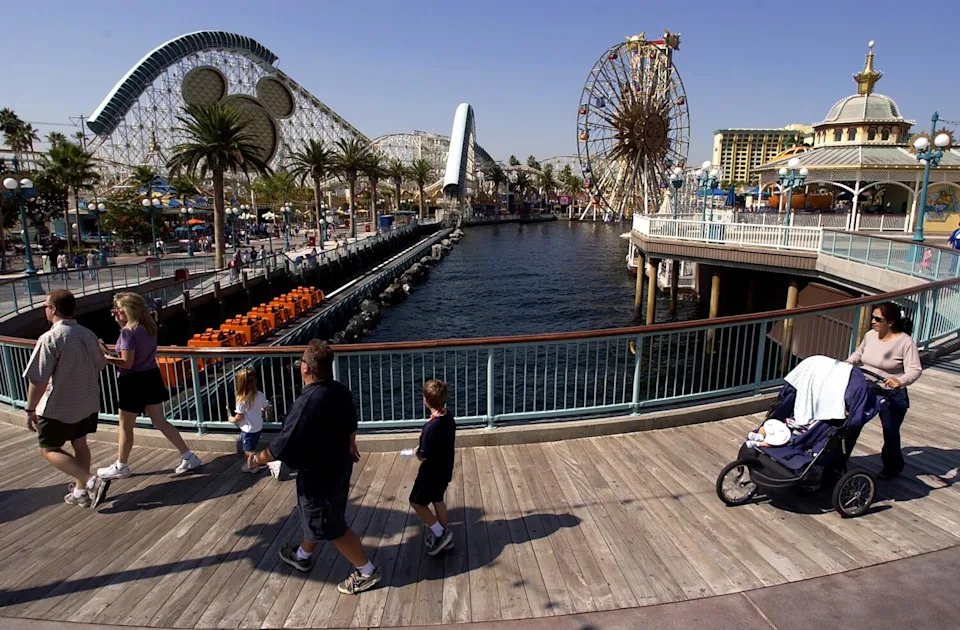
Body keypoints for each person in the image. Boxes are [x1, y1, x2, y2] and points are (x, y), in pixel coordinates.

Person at [246, 340, 381, 594]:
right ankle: (302, 555)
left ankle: (367, 571)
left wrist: (255, 459)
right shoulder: (340, 391)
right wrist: (351, 445)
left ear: (307, 369)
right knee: (317, 518)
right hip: (340, 467)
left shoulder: (307, 402)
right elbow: (352, 422)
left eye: (301, 363)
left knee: (333, 527)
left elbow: (280, 446)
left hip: (319, 476)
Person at [97, 292, 202, 479]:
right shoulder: (148, 326)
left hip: (133, 381)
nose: (115, 312)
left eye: (118, 309)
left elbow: (127, 363)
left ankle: (121, 465)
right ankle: (188, 455)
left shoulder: (128, 333)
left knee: (125, 426)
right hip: (151, 376)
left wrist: (107, 358)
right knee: (159, 420)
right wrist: (121, 324)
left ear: (127, 310)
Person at [22, 289, 111, 508]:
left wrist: (30, 408)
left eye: (45, 306)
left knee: (48, 449)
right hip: (88, 402)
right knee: (80, 444)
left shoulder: (50, 338)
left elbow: (38, 379)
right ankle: (80, 491)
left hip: (58, 406)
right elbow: (101, 364)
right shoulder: (88, 334)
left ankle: (92, 481)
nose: (45, 310)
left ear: (53, 309)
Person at [846, 301, 922, 480]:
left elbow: (915, 370)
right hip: (867, 388)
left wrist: (900, 380)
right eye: (873, 317)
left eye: (878, 319)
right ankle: (840, 459)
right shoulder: (870, 335)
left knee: (890, 430)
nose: (873, 321)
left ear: (891, 322)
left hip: (892, 393)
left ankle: (892, 466)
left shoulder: (905, 342)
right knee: (851, 424)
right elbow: (859, 354)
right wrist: (847, 364)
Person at [408, 379, 456, 555]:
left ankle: (440, 533)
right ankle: (444, 539)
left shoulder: (430, 427)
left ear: (426, 401)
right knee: (437, 499)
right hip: (445, 469)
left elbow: (423, 455)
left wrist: (416, 452)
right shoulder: (448, 417)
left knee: (416, 501)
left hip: (430, 472)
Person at [228, 367, 269, 473]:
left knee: (248, 451)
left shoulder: (242, 400)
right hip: (258, 426)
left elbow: (239, 417)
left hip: (248, 429)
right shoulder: (260, 395)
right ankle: (254, 462)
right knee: (252, 445)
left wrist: (231, 419)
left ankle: (252, 465)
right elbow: (266, 407)